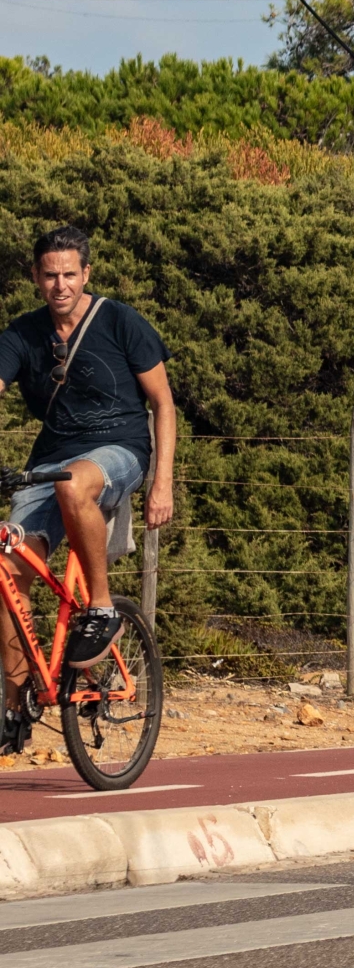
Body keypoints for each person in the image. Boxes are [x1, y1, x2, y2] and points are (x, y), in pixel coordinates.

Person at [0, 226, 177, 745]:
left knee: (75, 485)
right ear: (35, 276)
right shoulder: (22, 334)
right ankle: (16, 704)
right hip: (49, 463)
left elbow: (164, 405)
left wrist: (161, 482)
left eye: (69, 275)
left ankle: (100, 608)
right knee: (8, 572)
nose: (60, 285)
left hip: (119, 450)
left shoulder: (121, 322)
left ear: (87, 275)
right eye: (50, 275)